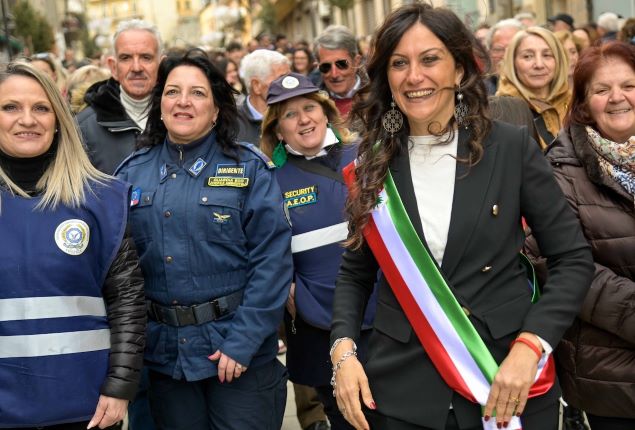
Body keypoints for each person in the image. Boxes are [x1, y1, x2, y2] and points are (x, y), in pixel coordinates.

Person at [329, 4, 594, 430]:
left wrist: (532, 345)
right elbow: (355, 274)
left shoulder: (510, 148)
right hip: (402, 391)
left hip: (507, 375)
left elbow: (573, 259)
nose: (415, 76)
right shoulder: (371, 166)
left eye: (430, 59)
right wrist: (342, 352)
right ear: (387, 77)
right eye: (400, 63)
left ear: (458, 70)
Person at [115, 49, 292, 430]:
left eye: (197, 93)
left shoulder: (248, 169)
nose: (183, 102)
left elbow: (272, 264)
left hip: (237, 356)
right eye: (173, 92)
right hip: (166, 360)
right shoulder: (131, 174)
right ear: (159, 104)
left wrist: (242, 342)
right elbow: (120, 273)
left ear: (216, 109)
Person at [0, 62, 145, 429]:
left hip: (89, 410)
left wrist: (120, 387)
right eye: (10, 107)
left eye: (41, 108)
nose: (27, 120)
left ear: (59, 118)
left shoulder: (101, 200)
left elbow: (127, 303)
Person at [526, 41, 635, 430]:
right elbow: (559, 263)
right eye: (602, 90)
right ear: (585, 103)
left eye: (629, 85)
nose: (618, 97)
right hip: (610, 376)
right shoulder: (558, 169)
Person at [260, 72, 377, 430]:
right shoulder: (269, 181)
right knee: (346, 418)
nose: (304, 119)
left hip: (384, 314)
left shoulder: (367, 154)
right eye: (290, 115)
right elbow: (263, 248)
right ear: (278, 131)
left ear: (326, 112)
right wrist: (286, 287)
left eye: (309, 108)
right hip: (318, 323)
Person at [77, 19, 162, 174]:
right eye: (126, 58)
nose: (136, 68)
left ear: (161, 64)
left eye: (146, 57)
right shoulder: (83, 128)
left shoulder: (182, 118)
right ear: (113, 67)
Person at [496, 27, 570, 149]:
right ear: (513, 63)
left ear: (559, 61)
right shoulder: (502, 112)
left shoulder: (576, 104)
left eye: (547, 55)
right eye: (528, 56)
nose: (539, 64)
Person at [237, 49, 290, 144]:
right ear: (256, 85)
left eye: (290, 78)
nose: (290, 85)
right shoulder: (231, 125)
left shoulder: (299, 115)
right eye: (282, 79)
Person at [314, 25, 366, 118]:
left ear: (356, 61)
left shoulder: (381, 95)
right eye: (326, 67)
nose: (334, 74)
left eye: (341, 64)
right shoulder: (313, 103)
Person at [483, 19, 523, 95]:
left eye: (513, 49)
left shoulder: (540, 89)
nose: (505, 56)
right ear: (489, 53)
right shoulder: (480, 92)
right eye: (498, 49)